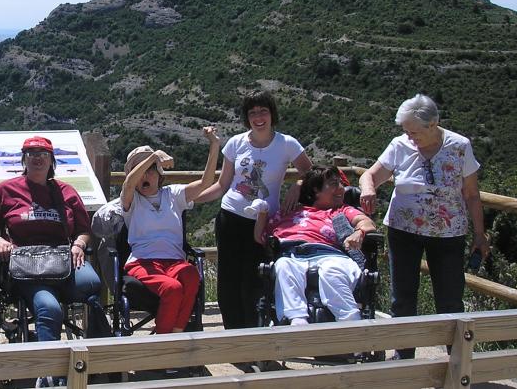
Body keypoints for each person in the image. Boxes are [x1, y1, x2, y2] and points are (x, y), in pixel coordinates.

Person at [358, 94, 489, 360]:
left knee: (450, 299)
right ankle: (404, 357)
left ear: (434, 124)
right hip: (403, 230)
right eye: (406, 131)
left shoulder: (460, 146)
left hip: (448, 232)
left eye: (414, 132)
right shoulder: (399, 145)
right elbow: (369, 175)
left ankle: (456, 361)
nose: (410, 137)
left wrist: (479, 233)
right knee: (403, 298)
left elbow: (472, 194)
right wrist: (369, 189)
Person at [196, 91, 313, 334]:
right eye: (252, 113)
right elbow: (222, 185)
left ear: (272, 114)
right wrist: (191, 200)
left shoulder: (287, 144)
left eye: (263, 111)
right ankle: (233, 334)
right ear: (246, 117)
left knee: (255, 279)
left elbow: (312, 173)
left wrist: (297, 186)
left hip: (263, 222)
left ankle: (254, 333)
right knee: (228, 279)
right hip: (230, 217)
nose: (258, 117)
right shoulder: (236, 143)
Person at [0, 136, 102, 342]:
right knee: (49, 308)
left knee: (91, 284)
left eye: (43, 154)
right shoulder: (6, 190)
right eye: (31, 154)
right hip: (27, 267)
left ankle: (99, 354)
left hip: (63, 260)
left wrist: (79, 244)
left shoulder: (66, 192)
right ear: (23, 159)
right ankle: (50, 370)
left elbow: (84, 230)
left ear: (51, 160)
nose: (37, 159)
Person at [119, 127, 220, 334]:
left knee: (191, 276)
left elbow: (206, 183)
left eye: (150, 170)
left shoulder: (173, 194)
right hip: (143, 262)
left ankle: (174, 333)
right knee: (172, 289)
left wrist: (214, 145)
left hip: (174, 261)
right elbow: (129, 183)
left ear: (159, 174)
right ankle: (163, 346)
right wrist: (153, 157)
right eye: (140, 171)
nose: (145, 175)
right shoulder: (132, 199)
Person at [254, 167, 377, 325]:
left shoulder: (342, 210)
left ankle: (351, 322)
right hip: (293, 254)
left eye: (340, 184)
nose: (341, 188)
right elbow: (261, 237)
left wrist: (359, 232)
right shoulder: (289, 212)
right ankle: (297, 320)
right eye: (334, 184)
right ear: (316, 190)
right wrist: (262, 213)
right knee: (284, 266)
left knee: (331, 270)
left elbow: (366, 223)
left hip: (330, 254)